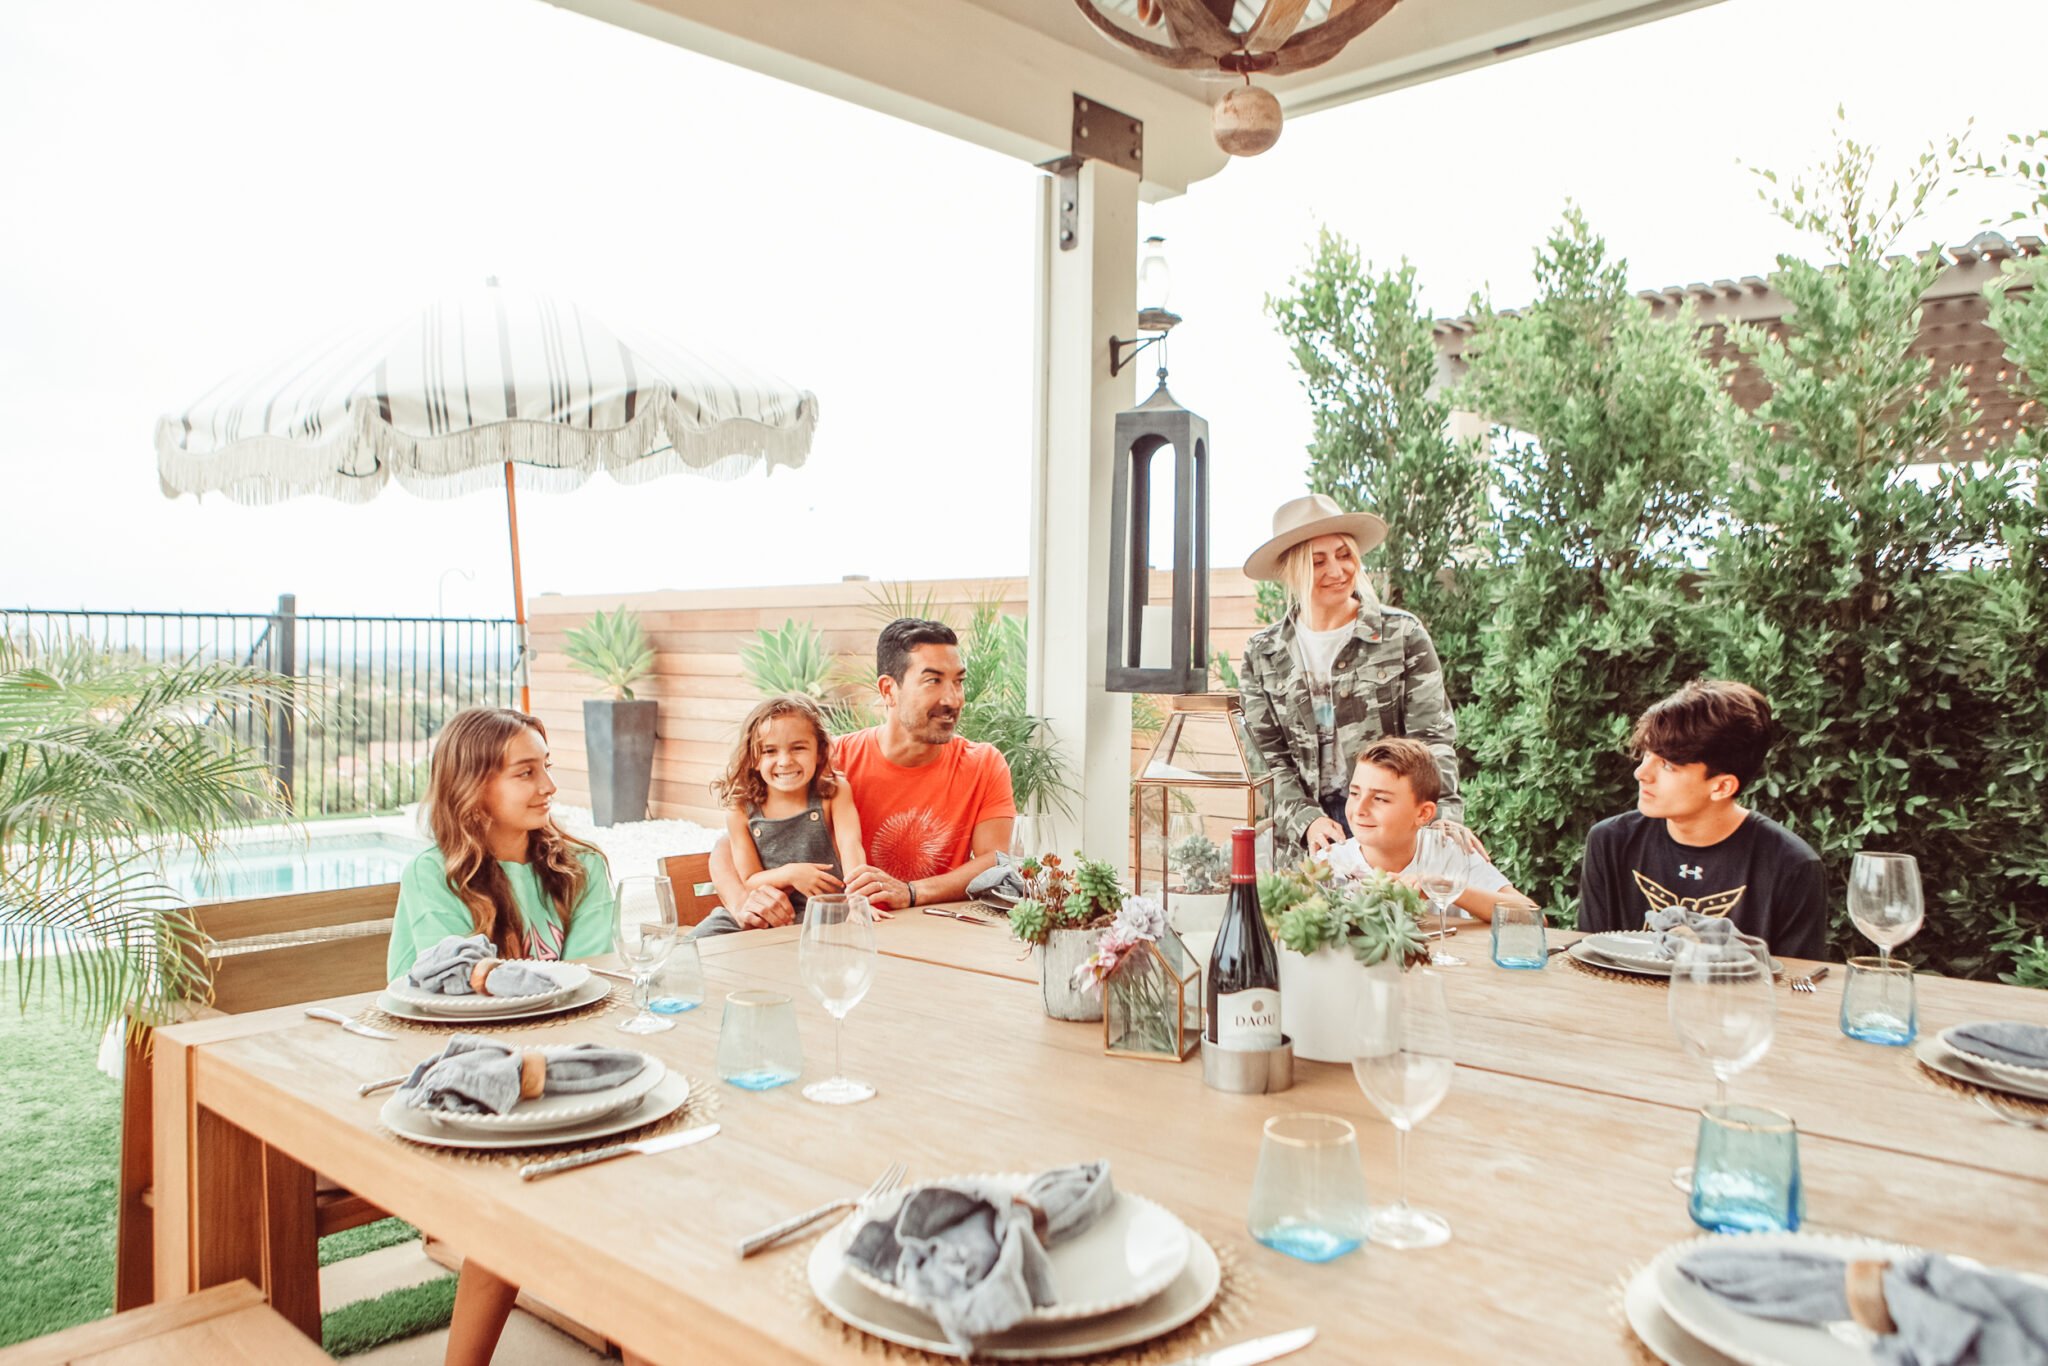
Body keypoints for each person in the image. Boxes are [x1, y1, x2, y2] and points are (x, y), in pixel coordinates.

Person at [388, 706, 615, 1366]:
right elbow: (450, 985)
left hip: (557, 1063)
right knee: (510, 1206)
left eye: (547, 768)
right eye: (526, 772)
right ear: (472, 786)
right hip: (461, 1075)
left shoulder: (583, 869)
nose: (548, 786)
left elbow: (592, 982)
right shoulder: (434, 876)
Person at [708, 618, 1015, 926]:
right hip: (842, 930)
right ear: (888, 690)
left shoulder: (983, 764)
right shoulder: (825, 762)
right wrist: (742, 904)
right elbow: (729, 843)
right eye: (933, 681)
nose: (953, 699)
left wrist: (911, 892)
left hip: (926, 930)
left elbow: (994, 862)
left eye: (958, 681)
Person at [1239, 492, 1466, 864]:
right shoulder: (1262, 653)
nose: (1337, 571)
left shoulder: (1402, 635)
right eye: (1317, 561)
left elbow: (1433, 741)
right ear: (1290, 571)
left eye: (1344, 555)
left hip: (1390, 831)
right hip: (1307, 838)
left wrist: (1439, 824)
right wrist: (1306, 821)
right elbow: (1265, 761)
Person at [1578, 680, 1827, 959]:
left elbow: (1798, 983)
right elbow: (1591, 959)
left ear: (1722, 787)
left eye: (1668, 765)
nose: (1641, 773)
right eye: (1648, 754)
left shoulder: (1792, 866)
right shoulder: (1610, 842)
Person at [690, 693, 868, 939]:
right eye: (770, 751)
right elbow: (750, 879)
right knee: (694, 943)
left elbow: (851, 848)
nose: (785, 761)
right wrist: (792, 874)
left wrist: (858, 901)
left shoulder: (833, 792)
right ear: (753, 758)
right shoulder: (741, 808)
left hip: (821, 909)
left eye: (798, 748)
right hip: (763, 912)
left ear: (819, 752)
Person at [1319, 739, 1526, 923]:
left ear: (1424, 813)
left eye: (1380, 799)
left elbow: (1531, 915)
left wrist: (1449, 888)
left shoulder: (1451, 852)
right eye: (1354, 793)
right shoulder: (1328, 864)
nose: (1359, 809)